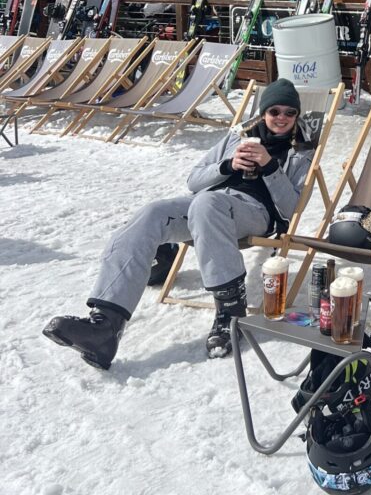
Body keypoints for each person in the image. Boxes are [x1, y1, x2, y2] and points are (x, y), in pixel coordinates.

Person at [43, 80, 315, 368]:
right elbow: (194, 180)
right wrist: (227, 166)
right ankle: (104, 327)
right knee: (153, 213)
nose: (282, 118)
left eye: (290, 112)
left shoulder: (301, 151)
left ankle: (230, 314)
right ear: (263, 113)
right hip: (206, 206)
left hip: (254, 213)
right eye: (274, 111)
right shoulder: (237, 138)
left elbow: (290, 208)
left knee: (207, 203)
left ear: (297, 116)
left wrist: (270, 165)